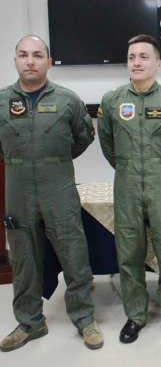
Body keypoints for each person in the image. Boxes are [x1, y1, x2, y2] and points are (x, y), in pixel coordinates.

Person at [0, 35, 102, 352]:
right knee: (24, 256)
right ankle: (30, 322)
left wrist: (52, 159)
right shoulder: (2, 101)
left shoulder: (68, 100)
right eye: (23, 55)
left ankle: (85, 319)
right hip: (16, 183)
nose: (30, 60)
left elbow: (83, 137)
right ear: (15, 60)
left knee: (74, 253)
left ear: (48, 60)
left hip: (58, 182)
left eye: (37, 55)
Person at [98, 35, 161, 345]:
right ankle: (135, 315)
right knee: (128, 253)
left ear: (158, 63)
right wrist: (126, 166)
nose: (136, 63)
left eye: (143, 57)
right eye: (131, 57)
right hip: (125, 183)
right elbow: (107, 143)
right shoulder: (111, 100)